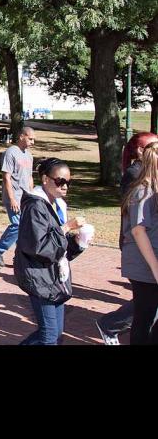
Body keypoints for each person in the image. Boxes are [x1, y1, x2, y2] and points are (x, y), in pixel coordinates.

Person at [14, 158, 88, 345]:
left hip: (54, 276)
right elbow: (39, 247)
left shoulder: (58, 204)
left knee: (55, 333)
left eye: (68, 182)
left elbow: (59, 248)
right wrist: (67, 227)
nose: (65, 186)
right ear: (45, 179)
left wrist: (78, 242)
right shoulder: (35, 206)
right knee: (49, 335)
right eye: (60, 181)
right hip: (39, 276)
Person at [96, 131, 158, 345]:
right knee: (145, 315)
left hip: (149, 256)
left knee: (150, 315)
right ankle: (109, 325)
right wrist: (155, 267)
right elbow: (138, 230)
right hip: (143, 259)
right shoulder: (140, 184)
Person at [120, 141, 158, 344]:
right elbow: (138, 231)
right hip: (144, 265)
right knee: (144, 319)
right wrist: (155, 268)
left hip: (151, 262)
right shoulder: (142, 191)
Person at [0, 127, 35, 267]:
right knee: (18, 225)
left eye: (33, 139)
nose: (33, 142)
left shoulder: (29, 155)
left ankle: (20, 257)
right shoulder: (10, 153)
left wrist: (32, 196)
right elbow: (6, 178)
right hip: (14, 197)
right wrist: (12, 199)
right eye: (30, 139)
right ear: (21, 136)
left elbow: (30, 177)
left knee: (25, 228)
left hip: (26, 198)